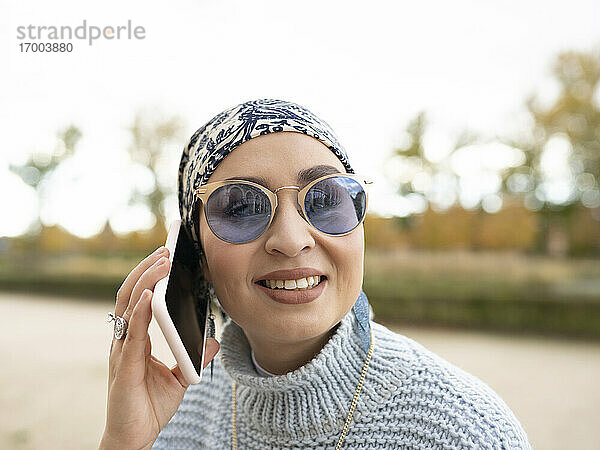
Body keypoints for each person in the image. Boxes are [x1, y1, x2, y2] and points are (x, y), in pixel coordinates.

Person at [100, 99, 532, 449]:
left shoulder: (466, 432)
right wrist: (124, 443)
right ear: (196, 256)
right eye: (242, 207)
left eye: (326, 198)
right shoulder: (172, 411)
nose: (290, 239)